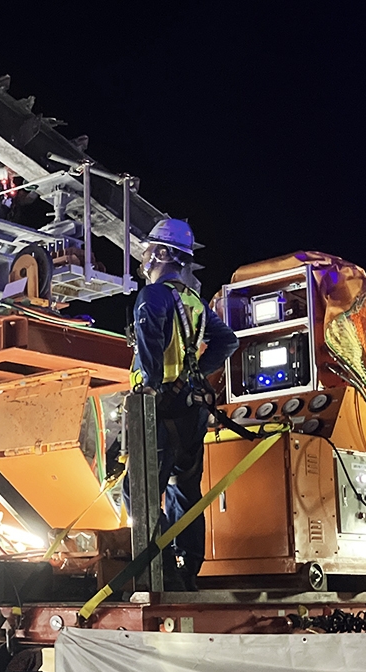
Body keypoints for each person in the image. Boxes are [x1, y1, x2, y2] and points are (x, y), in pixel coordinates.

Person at [125, 218, 239, 591]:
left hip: (160, 410)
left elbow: (150, 345)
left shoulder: (153, 296)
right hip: (190, 408)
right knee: (184, 490)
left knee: (137, 491)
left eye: (147, 251)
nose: (143, 258)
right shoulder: (194, 302)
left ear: (161, 253)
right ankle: (187, 569)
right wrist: (196, 375)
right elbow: (227, 341)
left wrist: (151, 387)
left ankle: (158, 566)